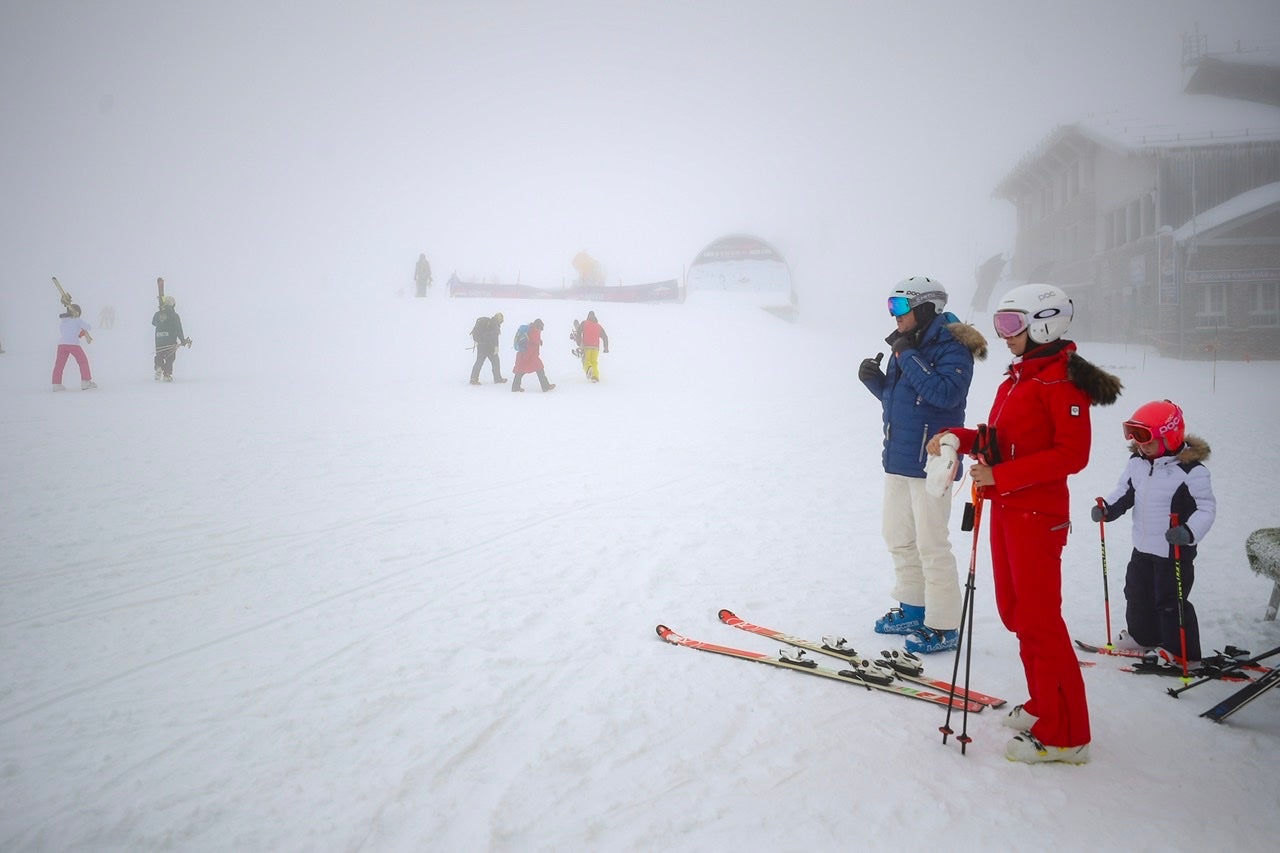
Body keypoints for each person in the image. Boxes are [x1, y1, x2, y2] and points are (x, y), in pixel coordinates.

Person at [926, 282, 1121, 765]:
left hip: (1037, 516)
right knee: (1017, 614)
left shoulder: (1061, 382)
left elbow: (1072, 455)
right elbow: (999, 438)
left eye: (1012, 324)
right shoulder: (1018, 378)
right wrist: (959, 435)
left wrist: (1002, 475)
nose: (1004, 334)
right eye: (1000, 323)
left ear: (1045, 322)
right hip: (1008, 508)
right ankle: (1043, 704)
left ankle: (1067, 734)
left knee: (1039, 620)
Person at [858, 277, 987, 655]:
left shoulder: (953, 346)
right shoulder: (909, 346)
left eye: (900, 308)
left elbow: (945, 394)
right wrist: (877, 383)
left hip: (933, 461)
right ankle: (913, 608)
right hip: (898, 458)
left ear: (925, 308)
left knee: (932, 545)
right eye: (890, 307)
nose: (894, 316)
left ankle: (944, 625)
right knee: (897, 536)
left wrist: (906, 356)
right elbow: (908, 401)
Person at [1093, 400, 1215, 667]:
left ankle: (1182, 652)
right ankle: (1142, 636)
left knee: (1170, 601)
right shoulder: (1137, 462)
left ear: (1169, 436)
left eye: (1147, 439)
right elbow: (1124, 491)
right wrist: (1108, 509)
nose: (1140, 445)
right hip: (1142, 546)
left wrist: (1189, 531)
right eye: (1135, 437)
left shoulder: (1191, 472)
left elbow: (1206, 509)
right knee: (1136, 593)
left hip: (1174, 551)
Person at [52, 303, 96, 391]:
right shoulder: (77, 320)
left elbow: (69, 332)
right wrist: (80, 323)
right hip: (73, 345)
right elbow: (88, 327)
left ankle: (56, 384)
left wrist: (80, 333)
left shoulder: (63, 321)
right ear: (77, 312)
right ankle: (86, 382)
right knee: (82, 362)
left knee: (59, 365)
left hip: (62, 345)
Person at [152, 296, 191, 382]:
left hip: (158, 339)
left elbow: (154, 322)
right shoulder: (174, 316)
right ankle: (167, 374)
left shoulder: (158, 314)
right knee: (170, 357)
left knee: (159, 354)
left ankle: (158, 367)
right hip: (170, 340)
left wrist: (160, 313)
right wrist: (182, 340)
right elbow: (178, 328)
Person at [512, 318, 555, 392]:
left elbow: (531, 340)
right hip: (530, 356)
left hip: (524, 355)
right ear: (539, 326)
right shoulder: (535, 331)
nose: (541, 330)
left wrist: (539, 341)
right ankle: (545, 386)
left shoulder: (531, 328)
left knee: (520, 371)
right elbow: (532, 344)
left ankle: (515, 387)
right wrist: (527, 356)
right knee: (539, 369)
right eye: (541, 328)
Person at [469, 312, 507, 385]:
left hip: (481, 346)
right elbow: (495, 338)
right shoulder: (495, 325)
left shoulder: (488, 322)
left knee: (479, 362)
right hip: (490, 347)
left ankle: (473, 378)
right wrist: (496, 347)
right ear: (500, 319)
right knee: (495, 362)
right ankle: (497, 378)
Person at [578, 310, 609, 382]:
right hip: (596, 347)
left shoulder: (584, 323)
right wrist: (606, 347)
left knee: (585, 360)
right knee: (594, 362)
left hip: (587, 346)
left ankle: (588, 368)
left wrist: (578, 342)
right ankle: (595, 376)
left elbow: (578, 332)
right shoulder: (598, 326)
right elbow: (605, 337)